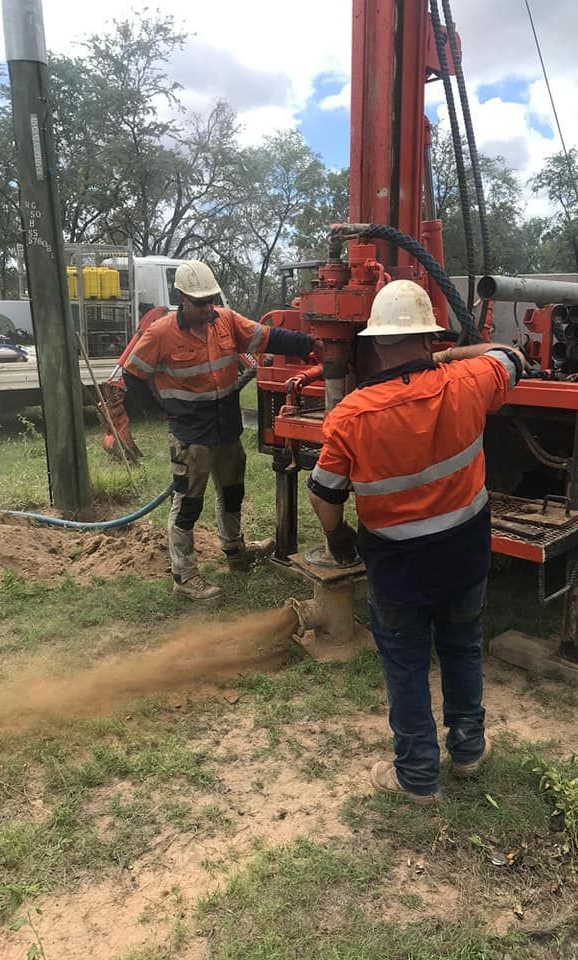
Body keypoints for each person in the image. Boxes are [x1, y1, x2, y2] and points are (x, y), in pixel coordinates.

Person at [307, 279, 524, 804]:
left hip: (399, 571)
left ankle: (419, 778)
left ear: (376, 343)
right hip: (464, 558)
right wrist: (452, 353)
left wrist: (338, 537)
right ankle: (468, 752)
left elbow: (324, 497)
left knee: (406, 667)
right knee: (462, 647)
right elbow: (511, 355)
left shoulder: (350, 417)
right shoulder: (469, 380)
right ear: (430, 337)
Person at [123, 259, 315, 602]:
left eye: (211, 299)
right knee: (188, 504)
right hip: (191, 432)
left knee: (232, 491)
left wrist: (309, 343)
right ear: (181, 297)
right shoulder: (161, 333)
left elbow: (266, 336)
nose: (207, 307)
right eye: (200, 302)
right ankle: (184, 576)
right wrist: (161, 410)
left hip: (226, 424)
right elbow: (132, 376)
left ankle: (235, 551)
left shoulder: (225, 321)